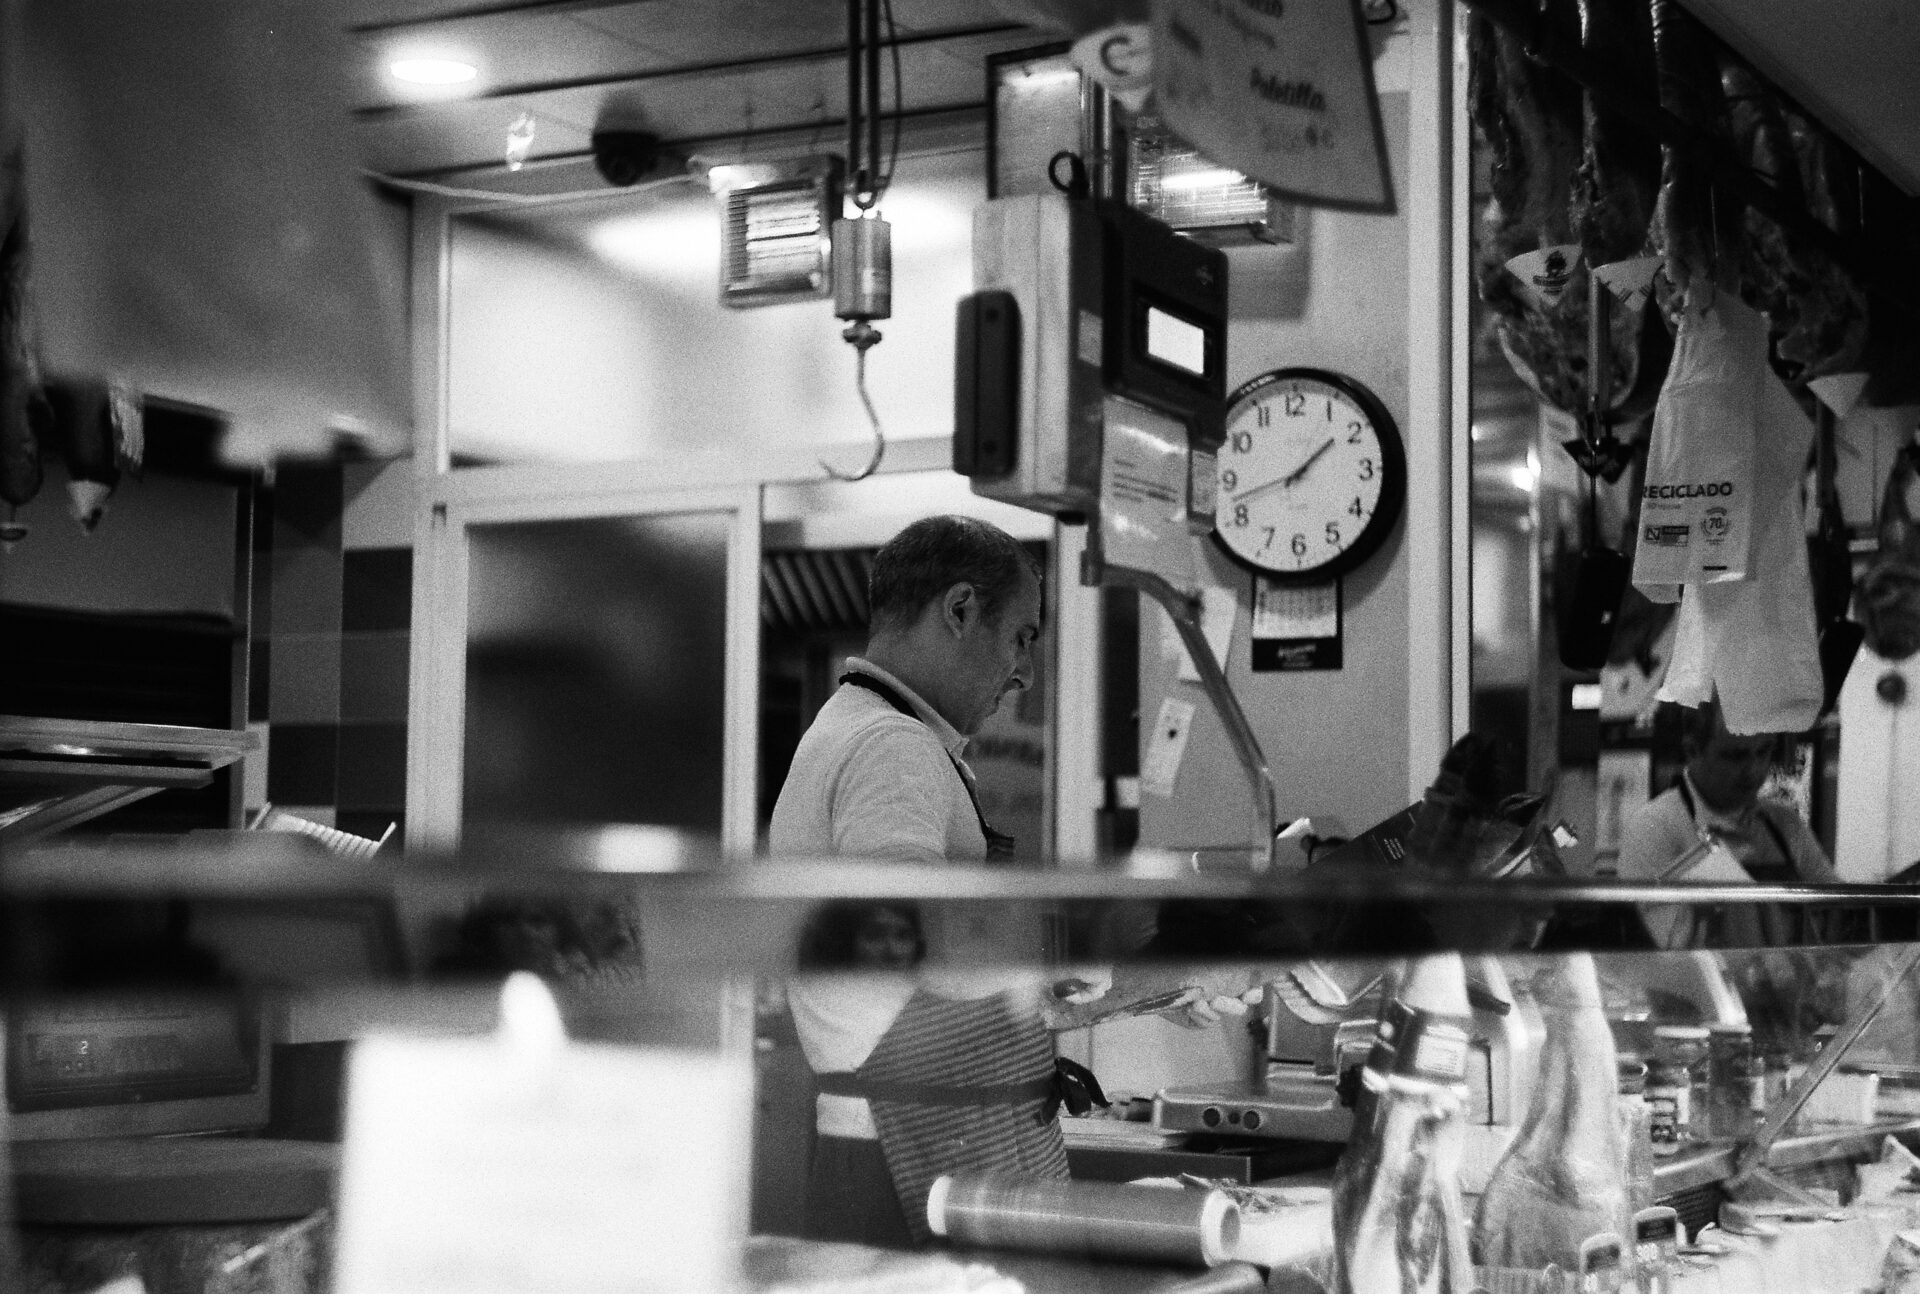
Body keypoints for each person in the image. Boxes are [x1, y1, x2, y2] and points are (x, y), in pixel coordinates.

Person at [769, 514, 1062, 1250]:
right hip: (904, 1158)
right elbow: (918, 942)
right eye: (1021, 637)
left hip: (896, 1140)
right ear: (960, 609)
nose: (1024, 672)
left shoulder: (859, 730)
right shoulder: (890, 745)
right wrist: (1101, 961)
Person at [1616, 698, 1835, 947]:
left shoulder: (1785, 823)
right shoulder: (1654, 828)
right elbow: (1657, 950)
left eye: (1764, 751)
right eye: (1735, 756)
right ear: (1692, 750)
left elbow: (1839, 910)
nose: (1754, 770)